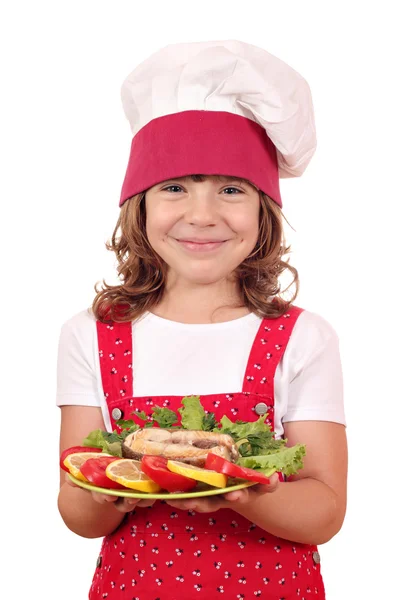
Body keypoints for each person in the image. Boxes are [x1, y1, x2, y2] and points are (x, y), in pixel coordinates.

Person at [56, 40, 347, 600]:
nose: (202, 215)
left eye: (231, 190)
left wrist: (245, 490)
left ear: (264, 211)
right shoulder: (90, 335)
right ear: (138, 206)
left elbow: (325, 512)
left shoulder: (302, 338)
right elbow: (76, 512)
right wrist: (105, 491)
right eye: (174, 188)